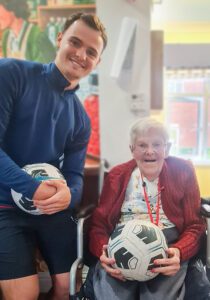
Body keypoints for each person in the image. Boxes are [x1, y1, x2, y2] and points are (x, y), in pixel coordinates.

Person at [0, 12, 107, 300]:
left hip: (52, 209)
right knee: (24, 294)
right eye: (75, 41)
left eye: (91, 52)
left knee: (69, 285)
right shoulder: (11, 73)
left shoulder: (81, 120)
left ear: (97, 62)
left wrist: (69, 197)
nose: (81, 54)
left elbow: (74, 176)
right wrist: (31, 188)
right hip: (4, 207)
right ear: (59, 39)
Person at [88, 118, 206, 300]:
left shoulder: (183, 170)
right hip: (122, 242)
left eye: (157, 144)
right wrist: (103, 252)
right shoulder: (116, 176)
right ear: (132, 150)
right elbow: (99, 226)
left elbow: (195, 226)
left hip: (167, 242)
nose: (149, 151)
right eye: (142, 145)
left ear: (167, 147)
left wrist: (179, 252)